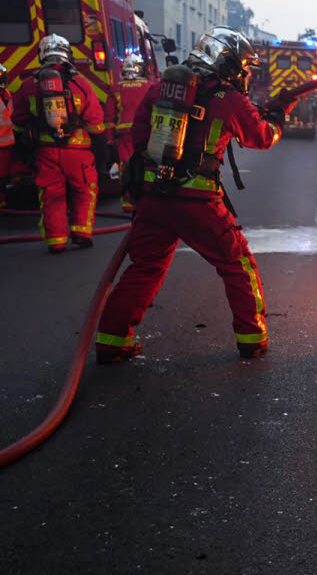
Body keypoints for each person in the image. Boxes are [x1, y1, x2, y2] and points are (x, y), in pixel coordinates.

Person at [94, 26, 293, 364]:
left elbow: (140, 140)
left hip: (154, 198)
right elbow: (261, 137)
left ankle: (113, 340)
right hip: (198, 202)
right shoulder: (228, 99)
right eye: (242, 67)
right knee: (237, 263)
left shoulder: (159, 90)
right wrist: (276, 117)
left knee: (145, 266)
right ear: (227, 63)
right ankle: (251, 337)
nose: (243, 75)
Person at [9, 34, 109, 251]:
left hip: (46, 153)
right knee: (84, 190)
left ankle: (56, 241)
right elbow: (96, 124)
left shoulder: (29, 86)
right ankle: (82, 232)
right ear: (67, 54)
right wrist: (102, 155)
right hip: (79, 152)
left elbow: (18, 121)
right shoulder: (81, 84)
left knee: (51, 195)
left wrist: (24, 151)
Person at [112, 54, 155, 212]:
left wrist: (109, 140)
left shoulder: (116, 88)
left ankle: (128, 202)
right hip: (145, 133)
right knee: (146, 165)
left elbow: (110, 116)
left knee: (126, 167)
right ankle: (145, 199)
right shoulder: (150, 86)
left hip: (124, 134)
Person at [0, 64, 13, 208]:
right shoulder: (7, 95)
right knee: (2, 175)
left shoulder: (7, 95)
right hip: (7, 143)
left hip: (5, 144)